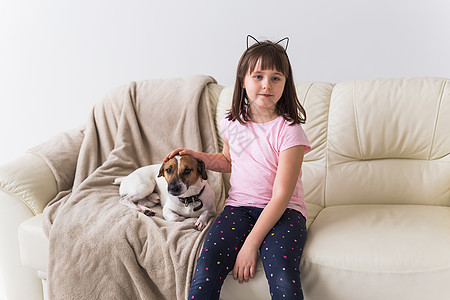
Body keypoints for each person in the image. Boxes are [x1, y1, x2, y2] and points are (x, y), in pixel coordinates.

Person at [164, 36, 311, 300]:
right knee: (206, 267)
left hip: (284, 212)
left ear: (285, 84)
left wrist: (251, 244)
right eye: (258, 76)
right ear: (243, 81)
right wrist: (197, 156)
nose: (267, 84)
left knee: (282, 273)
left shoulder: (289, 131)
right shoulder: (233, 123)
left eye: (276, 78)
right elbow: (229, 162)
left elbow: (281, 196)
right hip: (239, 208)